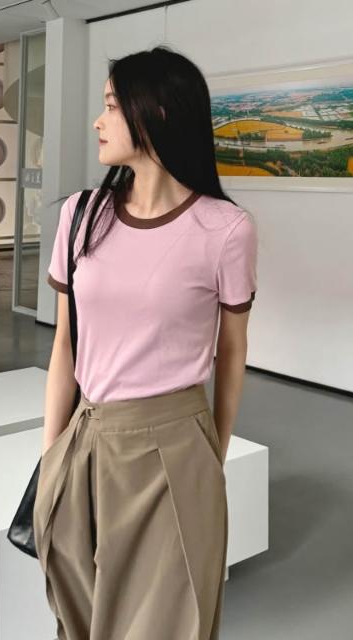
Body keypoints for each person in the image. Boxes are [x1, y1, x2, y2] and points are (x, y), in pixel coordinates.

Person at [32, 44, 258, 640]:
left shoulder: (225, 229)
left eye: (111, 105)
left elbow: (232, 350)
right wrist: (52, 459)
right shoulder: (81, 215)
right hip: (84, 444)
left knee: (168, 624)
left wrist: (212, 455)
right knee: (81, 621)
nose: (98, 121)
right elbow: (65, 345)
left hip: (176, 449)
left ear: (155, 113)